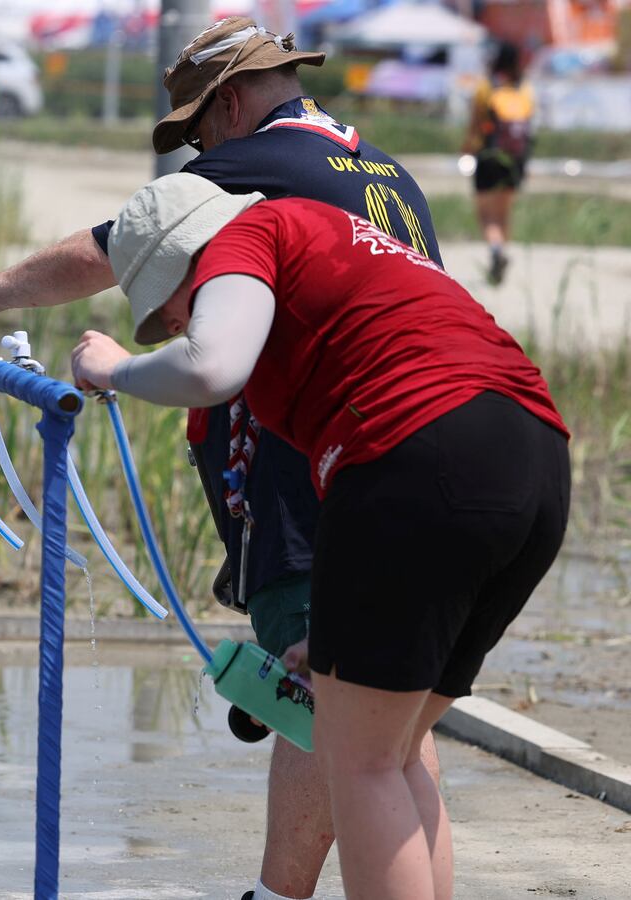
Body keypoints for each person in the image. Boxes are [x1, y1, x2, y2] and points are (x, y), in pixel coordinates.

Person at [0, 19, 442, 900]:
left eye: (199, 133)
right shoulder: (388, 173)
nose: (198, 155)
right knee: (393, 732)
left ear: (229, 105)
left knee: (336, 712)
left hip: (332, 456)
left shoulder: (265, 160)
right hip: (437, 448)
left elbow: (118, 241)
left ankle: (277, 895)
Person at [68, 171, 569, 900]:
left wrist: (116, 369)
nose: (173, 325)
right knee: (390, 754)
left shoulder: (246, 236)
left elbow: (211, 366)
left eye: (167, 309)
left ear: (187, 260)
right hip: (531, 458)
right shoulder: (332, 241)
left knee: (357, 762)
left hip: (419, 449)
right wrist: (334, 633)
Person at [462, 42, 532, 285]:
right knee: (503, 213)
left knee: (486, 214)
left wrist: (468, 147)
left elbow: (475, 123)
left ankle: (495, 250)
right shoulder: (524, 89)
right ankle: (501, 248)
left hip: (489, 157)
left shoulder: (486, 87)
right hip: (516, 160)